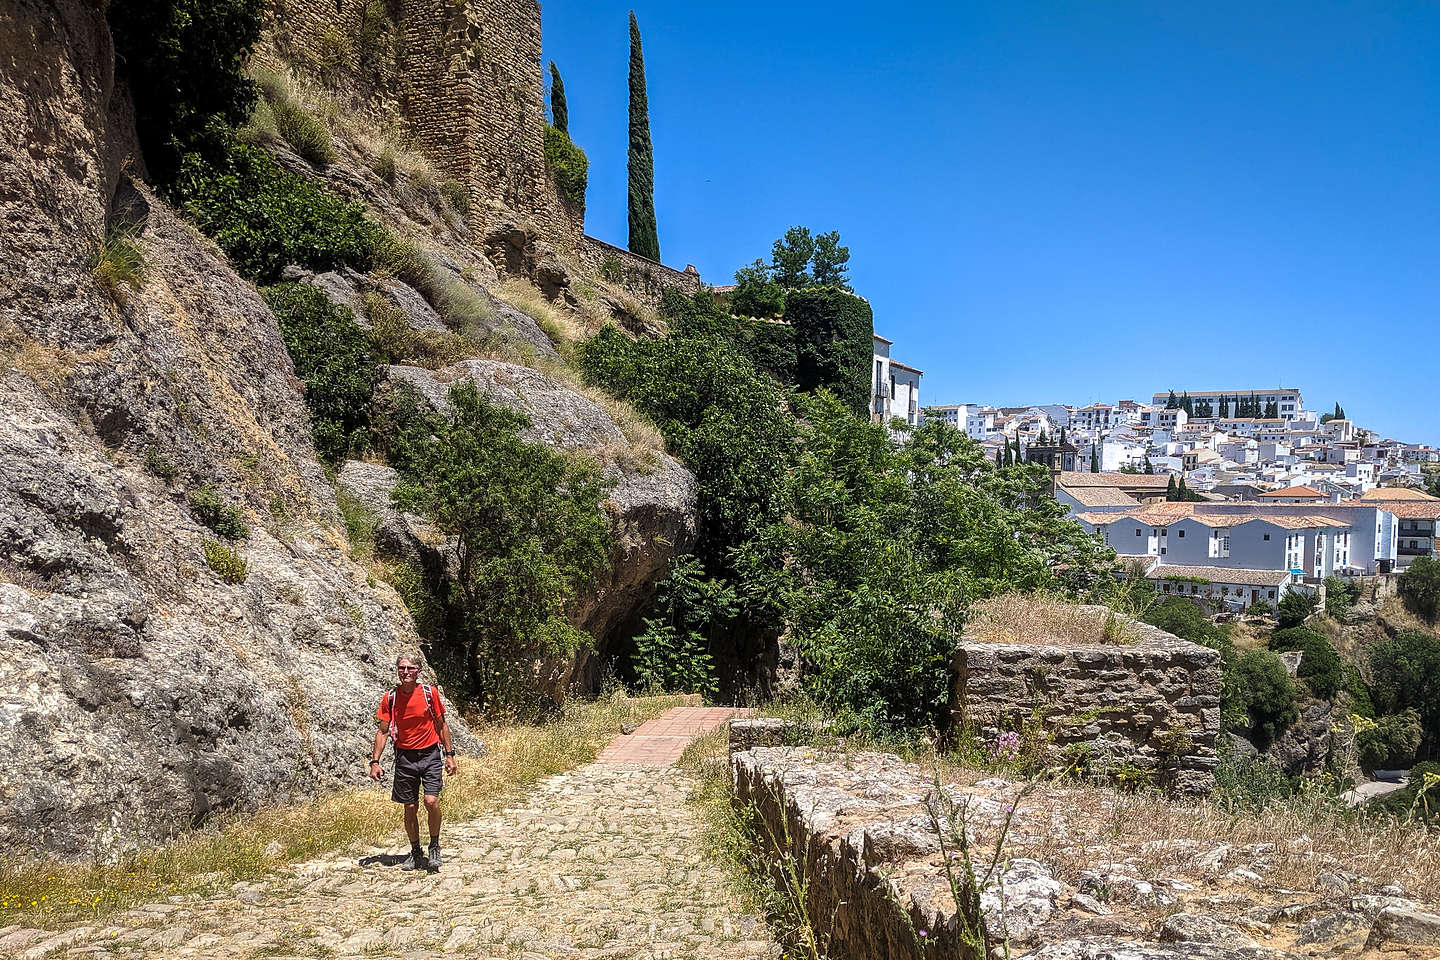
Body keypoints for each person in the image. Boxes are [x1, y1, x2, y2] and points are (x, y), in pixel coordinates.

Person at [368, 652, 458, 871]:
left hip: (429, 755)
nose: (405, 672)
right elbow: (383, 731)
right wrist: (375, 761)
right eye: (402, 668)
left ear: (418, 671)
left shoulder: (429, 693)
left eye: (410, 668)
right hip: (405, 758)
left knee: (431, 801)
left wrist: (449, 755)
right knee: (409, 807)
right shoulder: (391, 697)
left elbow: (441, 724)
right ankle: (416, 851)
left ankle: (434, 846)